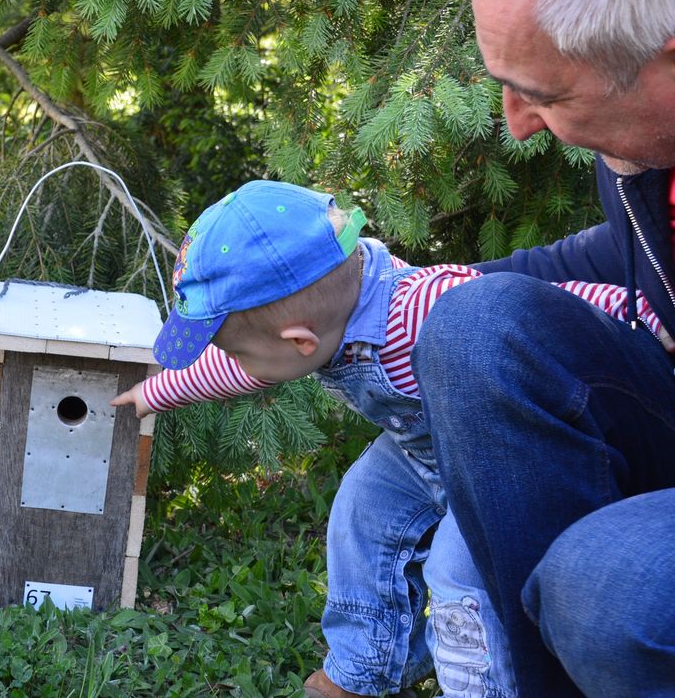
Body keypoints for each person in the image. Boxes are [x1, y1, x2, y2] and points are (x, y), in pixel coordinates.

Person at [110, 180, 666, 698]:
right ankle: (362, 667)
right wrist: (155, 393)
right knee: (361, 510)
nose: (233, 361)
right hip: (420, 447)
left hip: (494, 456)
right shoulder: (322, 320)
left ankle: (487, 685)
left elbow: (548, 303)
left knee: (458, 568)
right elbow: (245, 368)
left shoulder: (422, 307)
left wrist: (646, 314)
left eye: (234, 347)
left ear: (301, 341)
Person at [408, 0, 675, 695]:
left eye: (545, 95)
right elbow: (631, 259)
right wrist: (387, 293)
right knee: (474, 332)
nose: (516, 125)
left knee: (608, 589)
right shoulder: (645, 157)